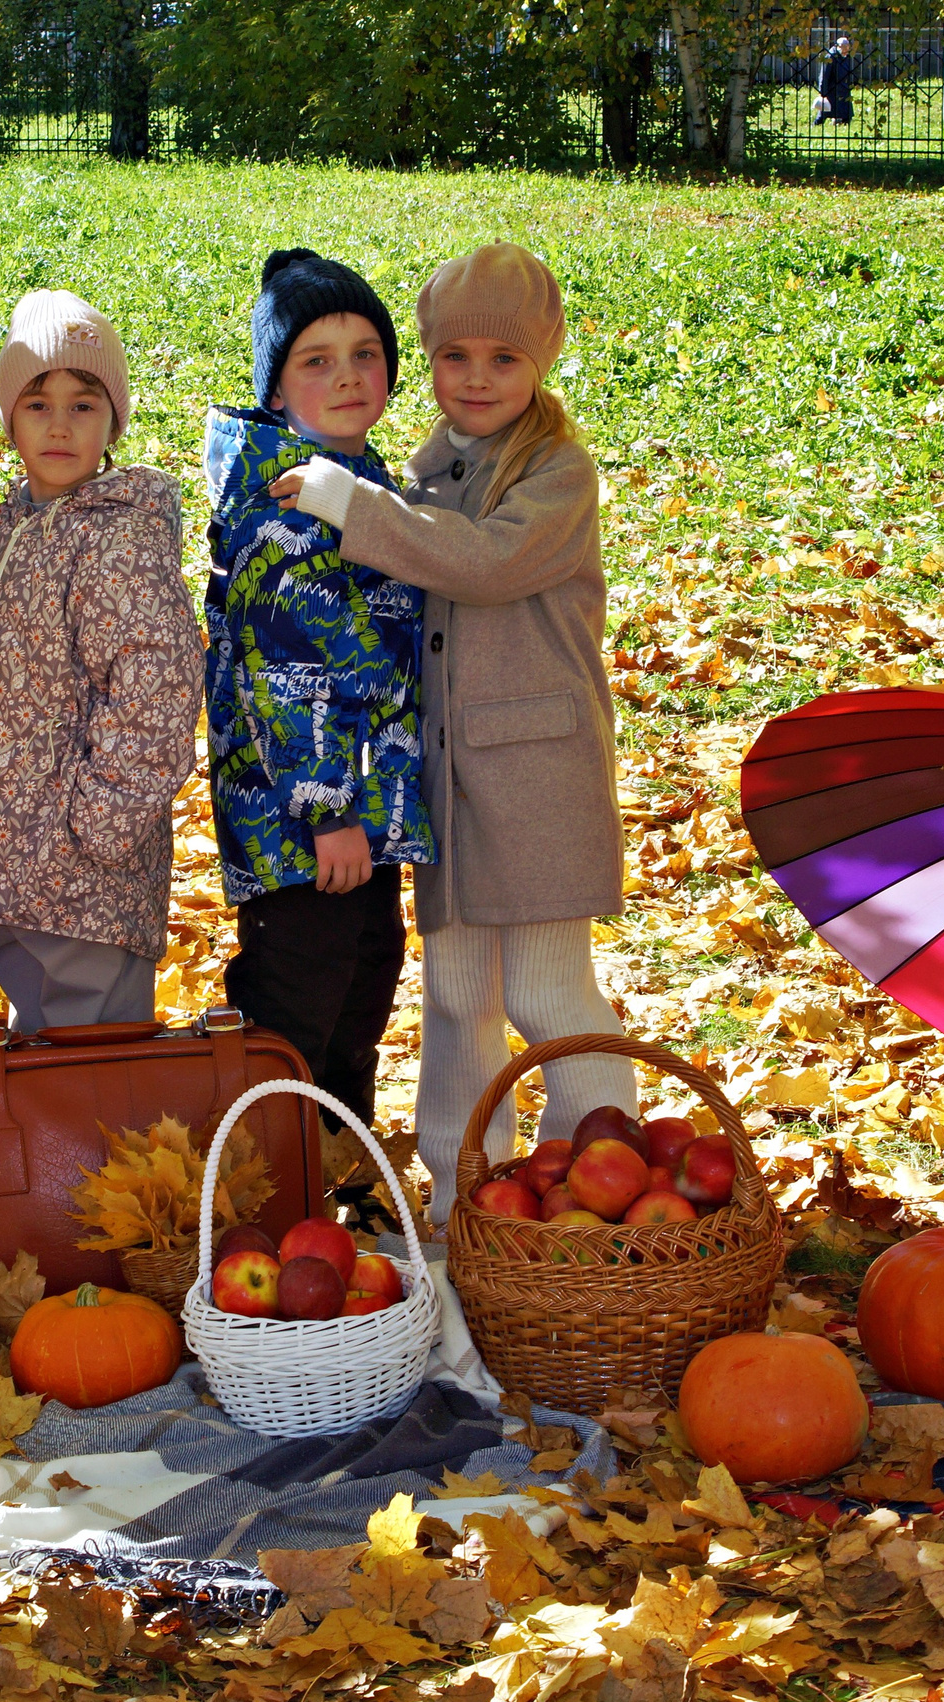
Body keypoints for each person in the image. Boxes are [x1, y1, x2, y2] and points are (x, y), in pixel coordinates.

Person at [270, 241, 636, 1226]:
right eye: (454, 356)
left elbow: (480, 563)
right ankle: (459, 1192)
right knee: (457, 992)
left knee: (549, 996)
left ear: (542, 362)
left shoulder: (557, 475)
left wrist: (355, 507)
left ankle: (594, 1185)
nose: (475, 379)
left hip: (536, 778)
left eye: (502, 359)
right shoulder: (433, 468)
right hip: (450, 782)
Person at [203, 248, 434, 1133]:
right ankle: (264, 1184)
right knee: (297, 1007)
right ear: (275, 389)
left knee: (365, 984)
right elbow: (282, 674)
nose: (347, 376)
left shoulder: (362, 485)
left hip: (360, 817)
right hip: (303, 824)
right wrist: (327, 806)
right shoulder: (290, 509)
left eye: (365, 353)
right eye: (316, 359)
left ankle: (342, 1166)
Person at [0, 291, 202, 1035]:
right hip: (14, 870)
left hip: (89, 871)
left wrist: (103, 819)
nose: (59, 424)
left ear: (114, 420)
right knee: (43, 1052)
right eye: (37, 403)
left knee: (97, 1063)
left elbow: (160, 682)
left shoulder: (117, 539)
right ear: (9, 417)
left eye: (84, 405)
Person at [814, 37, 856, 125]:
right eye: (843, 49)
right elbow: (824, 76)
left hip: (843, 88)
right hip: (832, 89)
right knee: (824, 111)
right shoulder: (830, 57)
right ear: (838, 47)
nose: (845, 52)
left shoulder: (845, 56)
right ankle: (816, 124)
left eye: (847, 49)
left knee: (847, 113)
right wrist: (822, 92)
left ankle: (843, 124)